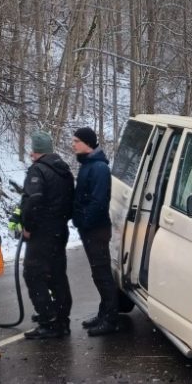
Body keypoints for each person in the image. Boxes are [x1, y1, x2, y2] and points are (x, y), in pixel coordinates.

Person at [20, 131, 74, 340]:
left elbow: (33, 200)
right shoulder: (64, 170)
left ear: (35, 150)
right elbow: (71, 200)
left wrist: (29, 226)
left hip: (42, 233)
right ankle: (62, 320)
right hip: (60, 230)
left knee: (33, 275)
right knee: (57, 275)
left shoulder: (38, 171)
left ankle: (48, 320)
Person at [71, 126, 120, 336]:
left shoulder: (98, 168)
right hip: (91, 228)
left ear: (87, 143)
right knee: (98, 274)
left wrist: (84, 221)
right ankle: (104, 313)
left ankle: (110, 319)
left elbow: (98, 201)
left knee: (102, 275)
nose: (73, 144)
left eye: (76, 141)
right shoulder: (88, 165)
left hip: (96, 229)